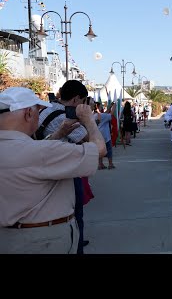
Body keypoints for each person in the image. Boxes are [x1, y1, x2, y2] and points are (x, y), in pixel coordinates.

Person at [0, 87, 106, 254]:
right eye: (38, 111)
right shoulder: (41, 152)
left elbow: (35, 152)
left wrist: (59, 133)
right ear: (28, 113)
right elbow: (99, 149)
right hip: (44, 239)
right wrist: (89, 120)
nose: (39, 116)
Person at [37, 80, 92, 254]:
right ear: (76, 99)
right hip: (63, 170)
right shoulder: (64, 117)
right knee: (76, 213)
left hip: (40, 165)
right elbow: (90, 141)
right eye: (83, 102)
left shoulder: (45, 110)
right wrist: (88, 120)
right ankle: (76, 245)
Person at [94, 101, 115, 169]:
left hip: (98, 135)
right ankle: (110, 164)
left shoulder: (94, 115)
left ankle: (100, 164)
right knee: (109, 149)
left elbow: (106, 113)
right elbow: (111, 114)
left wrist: (109, 106)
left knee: (100, 150)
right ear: (97, 107)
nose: (102, 107)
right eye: (101, 106)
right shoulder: (102, 116)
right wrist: (114, 106)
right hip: (105, 135)